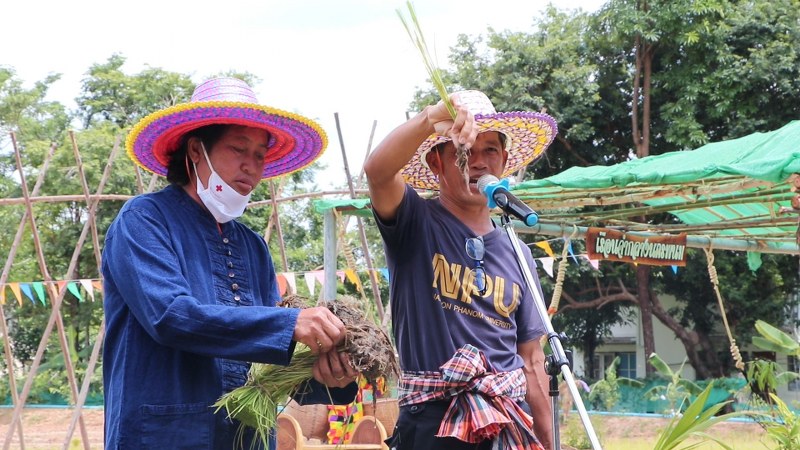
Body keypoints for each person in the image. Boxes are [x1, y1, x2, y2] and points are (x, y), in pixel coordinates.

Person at [102, 77, 358, 449]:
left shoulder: (253, 247)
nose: (251, 166)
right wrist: (290, 324)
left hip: (246, 439)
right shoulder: (144, 220)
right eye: (238, 148)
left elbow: (267, 363)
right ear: (196, 150)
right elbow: (170, 317)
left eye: (260, 155)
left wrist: (328, 376)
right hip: (164, 436)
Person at [364, 90, 558, 450]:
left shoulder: (518, 252)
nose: (479, 163)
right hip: (432, 422)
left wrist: (549, 442)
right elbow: (377, 172)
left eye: (491, 150)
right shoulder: (415, 222)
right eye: (464, 151)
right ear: (436, 162)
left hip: (505, 421)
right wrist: (428, 119)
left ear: (504, 162)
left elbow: (532, 359)